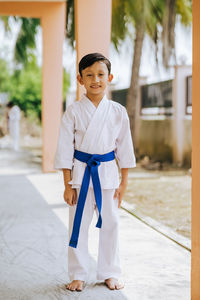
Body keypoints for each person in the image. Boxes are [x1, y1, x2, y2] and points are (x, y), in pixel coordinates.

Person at [54, 53, 136, 291]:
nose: (95, 79)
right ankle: (78, 274)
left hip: (109, 175)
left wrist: (124, 183)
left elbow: (125, 148)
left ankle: (110, 272)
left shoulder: (118, 111)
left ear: (109, 78)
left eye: (100, 74)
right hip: (80, 176)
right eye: (89, 75)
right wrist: (67, 184)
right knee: (78, 225)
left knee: (111, 224)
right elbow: (64, 149)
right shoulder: (73, 111)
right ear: (80, 79)